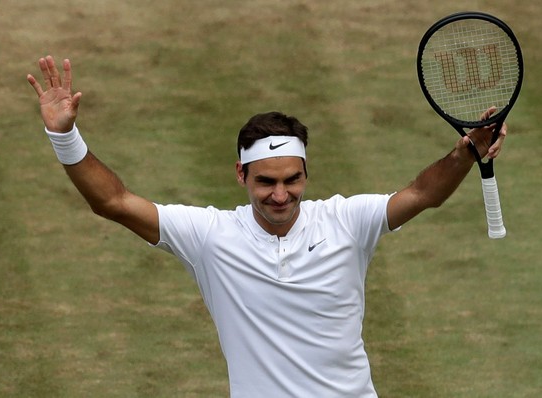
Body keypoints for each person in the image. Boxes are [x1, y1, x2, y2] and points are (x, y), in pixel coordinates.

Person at [27, 55, 506, 398]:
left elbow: (424, 194)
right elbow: (112, 201)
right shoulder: (210, 237)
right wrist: (64, 136)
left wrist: (465, 152)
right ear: (241, 175)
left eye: (292, 179)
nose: (281, 195)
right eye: (266, 182)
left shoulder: (346, 221)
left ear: (306, 173)